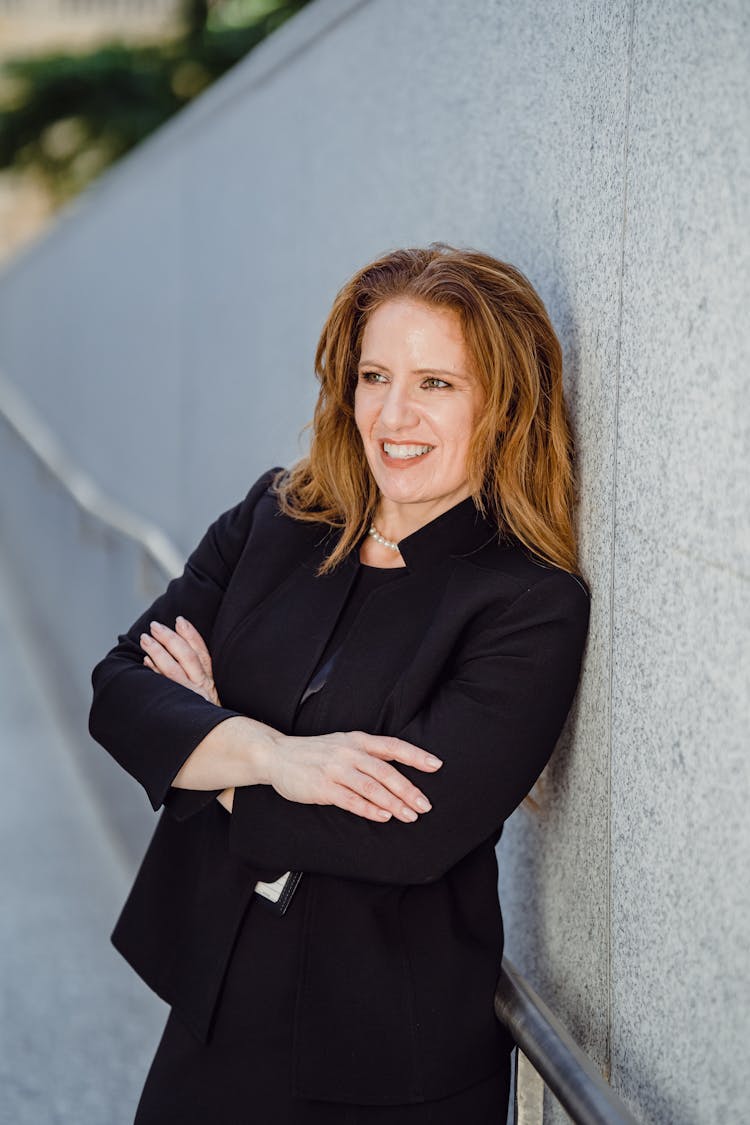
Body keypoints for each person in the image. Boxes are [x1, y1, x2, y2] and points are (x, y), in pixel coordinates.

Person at [87, 242, 591, 1123]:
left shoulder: (528, 603)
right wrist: (273, 755)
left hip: (388, 1054)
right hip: (214, 1003)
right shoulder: (276, 517)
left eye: (438, 383)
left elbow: (407, 835)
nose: (394, 413)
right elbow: (122, 687)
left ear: (504, 406)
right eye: (374, 375)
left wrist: (205, 735)